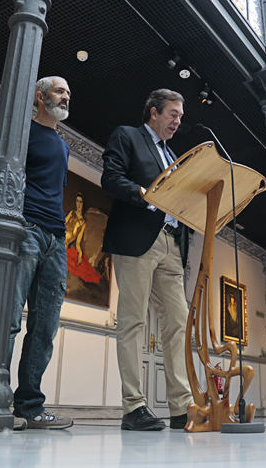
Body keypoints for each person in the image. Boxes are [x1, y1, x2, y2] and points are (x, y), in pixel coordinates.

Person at [101, 89, 192, 431]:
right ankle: (133, 407)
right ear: (153, 113)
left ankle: (181, 407)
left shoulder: (173, 154)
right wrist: (144, 195)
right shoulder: (128, 136)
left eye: (180, 117)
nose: (177, 121)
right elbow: (110, 178)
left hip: (172, 244)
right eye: (172, 114)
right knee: (132, 322)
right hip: (137, 238)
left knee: (178, 323)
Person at [8, 76, 73, 430]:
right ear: (39, 96)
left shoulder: (63, 146)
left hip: (56, 239)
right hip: (26, 230)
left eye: (68, 94)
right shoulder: (22, 131)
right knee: (9, 319)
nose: (66, 97)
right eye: (60, 91)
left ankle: (29, 407)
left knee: (45, 327)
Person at [64, 193, 100, 284]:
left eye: (80, 201)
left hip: (66, 246)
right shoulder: (72, 213)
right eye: (77, 201)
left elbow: (78, 242)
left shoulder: (83, 222)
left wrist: (80, 254)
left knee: (81, 265)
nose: (79, 204)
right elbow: (62, 225)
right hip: (61, 239)